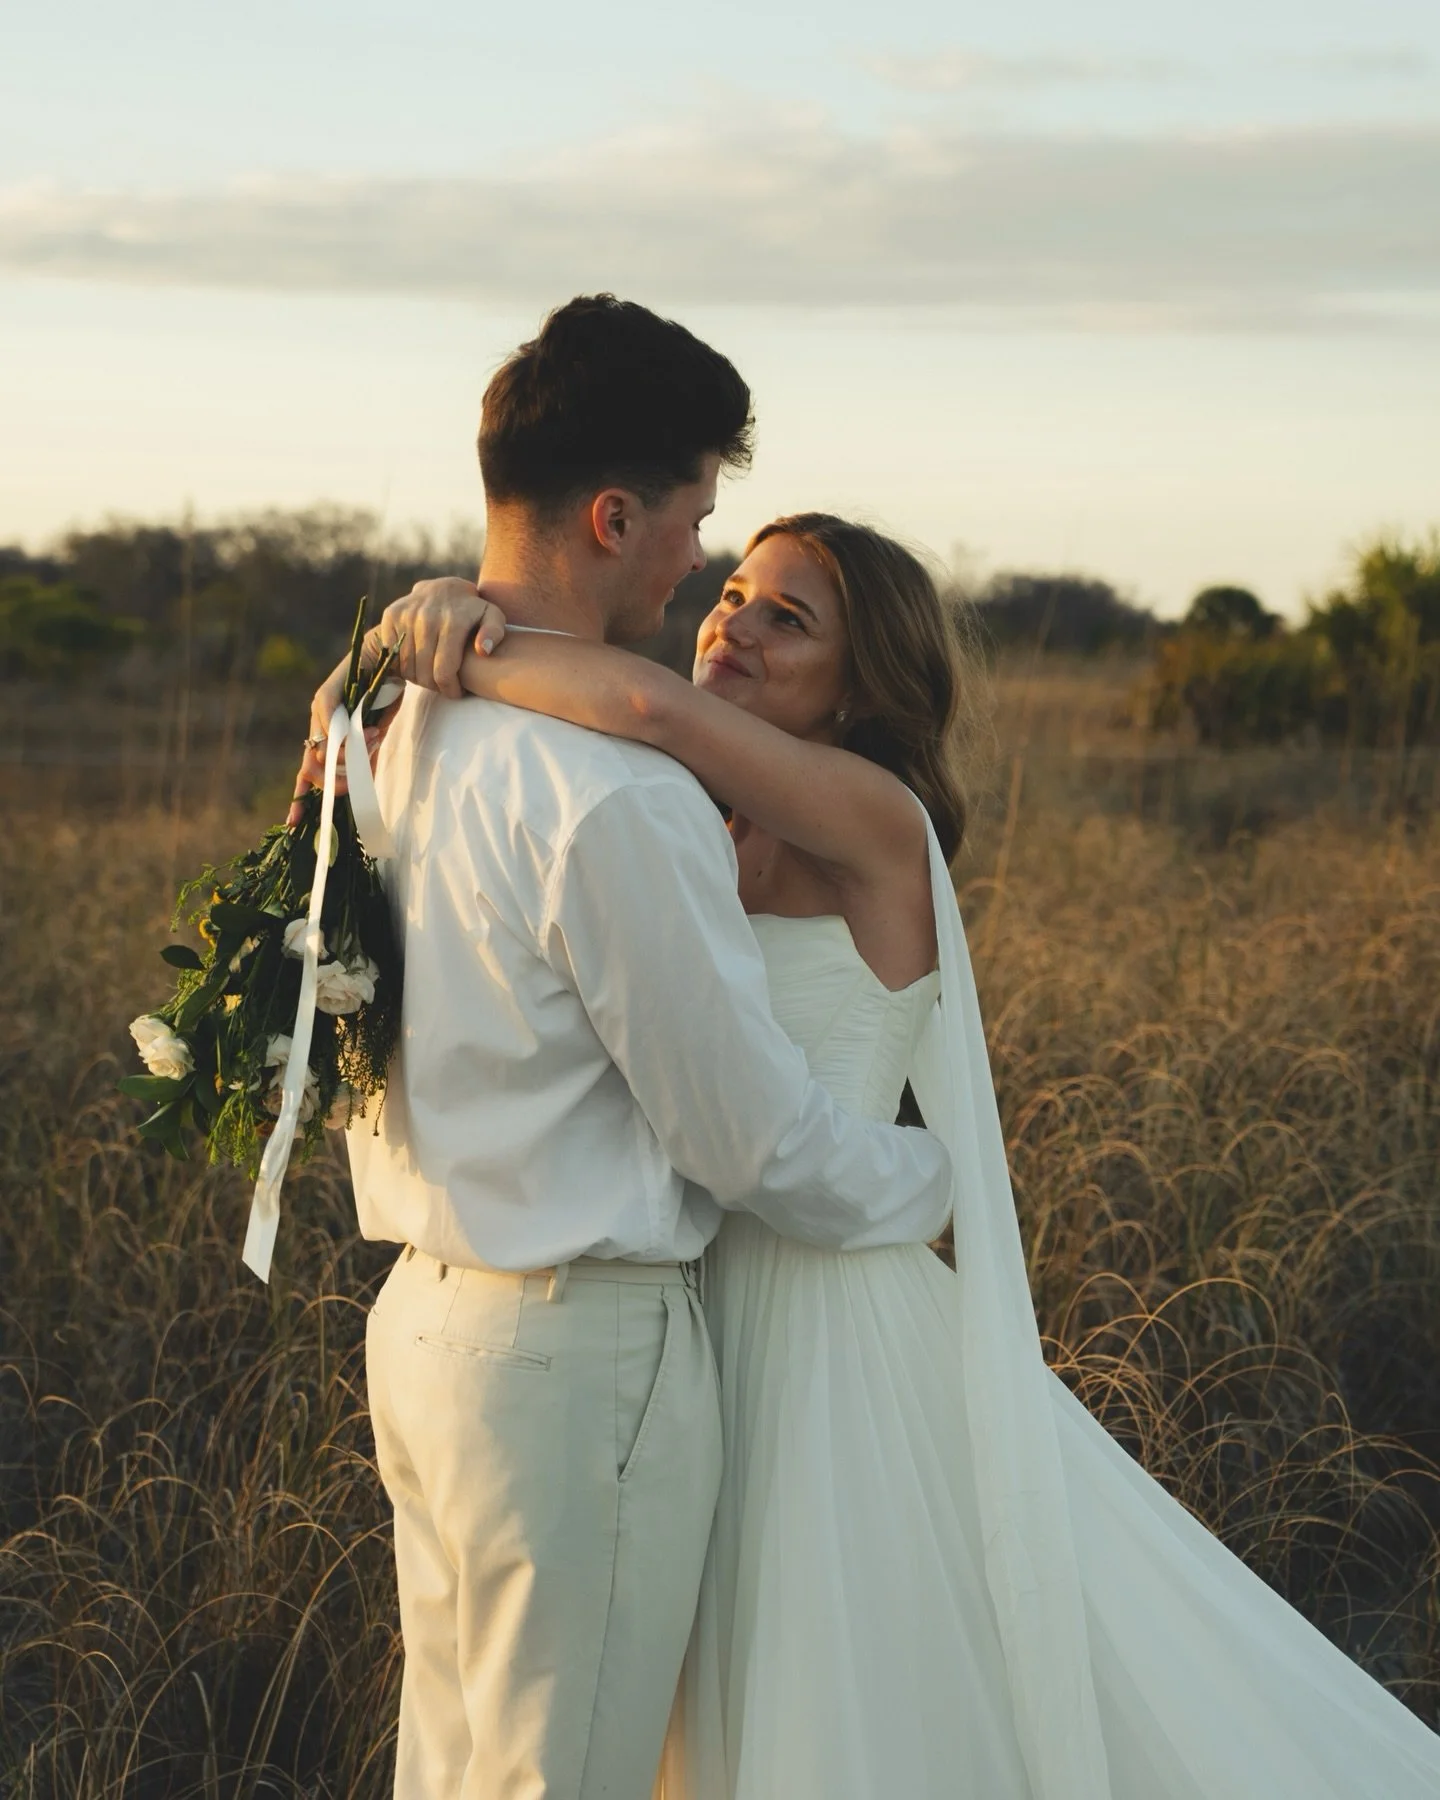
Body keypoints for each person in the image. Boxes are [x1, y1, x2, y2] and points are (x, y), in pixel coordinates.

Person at [342, 512, 1440, 1800]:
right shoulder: (688, 812)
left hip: (825, 1324)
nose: (732, 621)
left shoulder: (872, 817)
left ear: (865, 684)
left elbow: (641, 699)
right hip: (670, 1312)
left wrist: (452, 638)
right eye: (734, 591)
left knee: (825, 1693)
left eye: (786, 618)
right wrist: (420, 643)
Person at [294, 298, 954, 1800]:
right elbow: (755, 1139)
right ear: (613, 514)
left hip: (425, 1328)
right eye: (694, 523)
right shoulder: (618, 790)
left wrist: (433, 627)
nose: (699, 569)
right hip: (576, 1356)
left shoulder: (382, 722)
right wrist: (937, 1185)